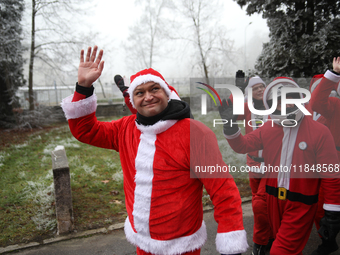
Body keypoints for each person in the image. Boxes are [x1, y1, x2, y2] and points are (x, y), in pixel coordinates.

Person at [61, 45, 248, 255]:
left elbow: (222, 188)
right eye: (140, 93)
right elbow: (86, 131)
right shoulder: (125, 128)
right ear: (133, 100)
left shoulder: (194, 133)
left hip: (182, 246)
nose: (148, 96)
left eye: (154, 89)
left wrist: (231, 242)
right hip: (142, 243)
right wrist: (84, 87)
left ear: (167, 93)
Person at [218, 75, 340, 255]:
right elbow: (242, 145)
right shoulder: (268, 128)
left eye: (292, 97)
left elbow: (330, 175)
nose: (287, 104)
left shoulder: (319, 132)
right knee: (281, 242)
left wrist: (332, 211)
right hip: (272, 199)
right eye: (280, 100)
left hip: (301, 203)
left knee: (280, 250)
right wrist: (229, 126)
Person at [234, 71, 272, 255]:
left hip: (272, 165)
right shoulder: (248, 108)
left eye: (261, 87)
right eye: (255, 88)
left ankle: (261, 243)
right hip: (253, 164)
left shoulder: (274, 106)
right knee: (263, 206)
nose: (259, 90)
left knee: (259, 205)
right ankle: (270, 236)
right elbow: (231, 114)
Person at [309, 57, 340, 255]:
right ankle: (328, 240)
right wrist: (334, 74)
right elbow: (318, 101)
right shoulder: (332, 105)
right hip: (325, 166)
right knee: (322, 206)